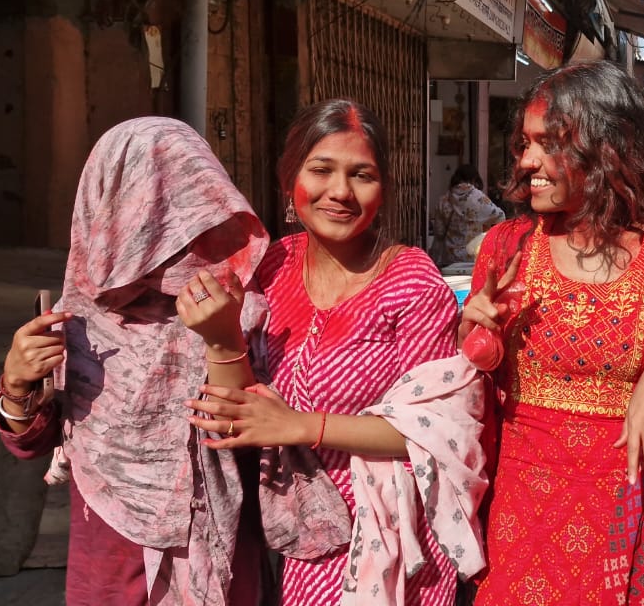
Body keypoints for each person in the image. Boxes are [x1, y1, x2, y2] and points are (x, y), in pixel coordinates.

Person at [183, 99, 488, 606]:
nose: (340, 192)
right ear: (289, 180)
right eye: (321, 170)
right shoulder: (271, 268)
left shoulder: (410, 281)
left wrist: (303, 425)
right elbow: (240, 418)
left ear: (384, 188)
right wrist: (222, 339)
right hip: (291, 534)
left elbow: (436, 431)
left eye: (361, 175)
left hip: (388, 541)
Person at [460, 59, 644, 605]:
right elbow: (473, 391)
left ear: (608, 148)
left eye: (550, 144)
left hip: (633, 516)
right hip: (522, 521)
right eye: (525, 143)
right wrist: (474, 341)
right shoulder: (506, 246)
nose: (529, 162)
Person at [0, 117, 270, 605]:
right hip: (108, 571)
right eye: (144, 206)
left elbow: (255, 445)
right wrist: (17, 385)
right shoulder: (81, 315)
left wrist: (224, 342)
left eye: (176, 203)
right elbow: (33, 442)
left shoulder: (238, 305)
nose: (160, 226)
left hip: (219, 566)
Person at [431, 163, 505, 267]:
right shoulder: (478, 198)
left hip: (449, 258)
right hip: (473, 256)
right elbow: (500, 216)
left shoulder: (444, 200)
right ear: (474, 179)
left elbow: (439, 232)